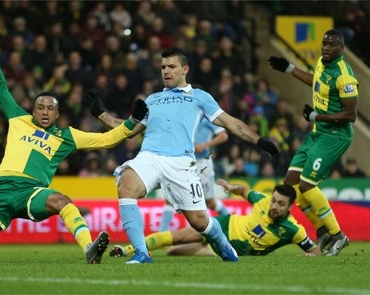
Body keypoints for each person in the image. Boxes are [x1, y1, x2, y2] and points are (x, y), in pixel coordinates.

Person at [0, 25, 148, 265]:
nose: (45, 112)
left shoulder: (66, 136)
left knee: (62, 200)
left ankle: (89, 248)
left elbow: (106, 140)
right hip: (1, 189)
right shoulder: (18, 118)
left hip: (31, 191)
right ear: (33, 110)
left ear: (57, 113)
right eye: (40, 107)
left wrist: (132, 121)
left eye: (51, 108)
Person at [84, 48, 279, 264]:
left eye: (171, 67)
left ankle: (223, 244)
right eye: (163, 67)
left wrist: (259, 140)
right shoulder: (153, 99)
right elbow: (128, 129)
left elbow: (230, 122)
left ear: (185, 69)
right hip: (149, 156)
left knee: (199, 222)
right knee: (126, 186)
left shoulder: (200, 97)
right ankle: (141, 253)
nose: (166, 71)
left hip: (180, 162)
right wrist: (100, 113)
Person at [268, 29, 358, 256]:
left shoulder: (344, 75)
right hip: (318, 132)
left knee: (307, 184)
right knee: (290, 184)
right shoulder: (321, 63)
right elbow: (316, 81)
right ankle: (322, 230)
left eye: (332, 44)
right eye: (325, 43)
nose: (327, 47)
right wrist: (289, 68)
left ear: (342, 48)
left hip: (335, 136)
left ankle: (338, 235)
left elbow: (351, 114)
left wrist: (316, 117)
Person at [109, 179, 321, 257]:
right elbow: (245, 190)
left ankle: (142, 250)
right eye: (274, 200)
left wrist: (311, 255)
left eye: (280, 204)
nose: (274, 206)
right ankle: (127, 250)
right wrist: (231, 188)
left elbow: (314, 249)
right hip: (224, 224)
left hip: (229, 248)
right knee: (178, 237)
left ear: (290, 207)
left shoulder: (294, 230)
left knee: (175, 252)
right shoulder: (262, 200)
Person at [159, 118, 230, 232]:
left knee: (210, 202)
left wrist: (205, 145)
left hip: (202, 163)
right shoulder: (182, 116)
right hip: (183, 161)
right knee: (171, 198)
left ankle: (230, 221)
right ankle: (161, 234)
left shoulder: (207, 118)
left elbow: (224, 136)